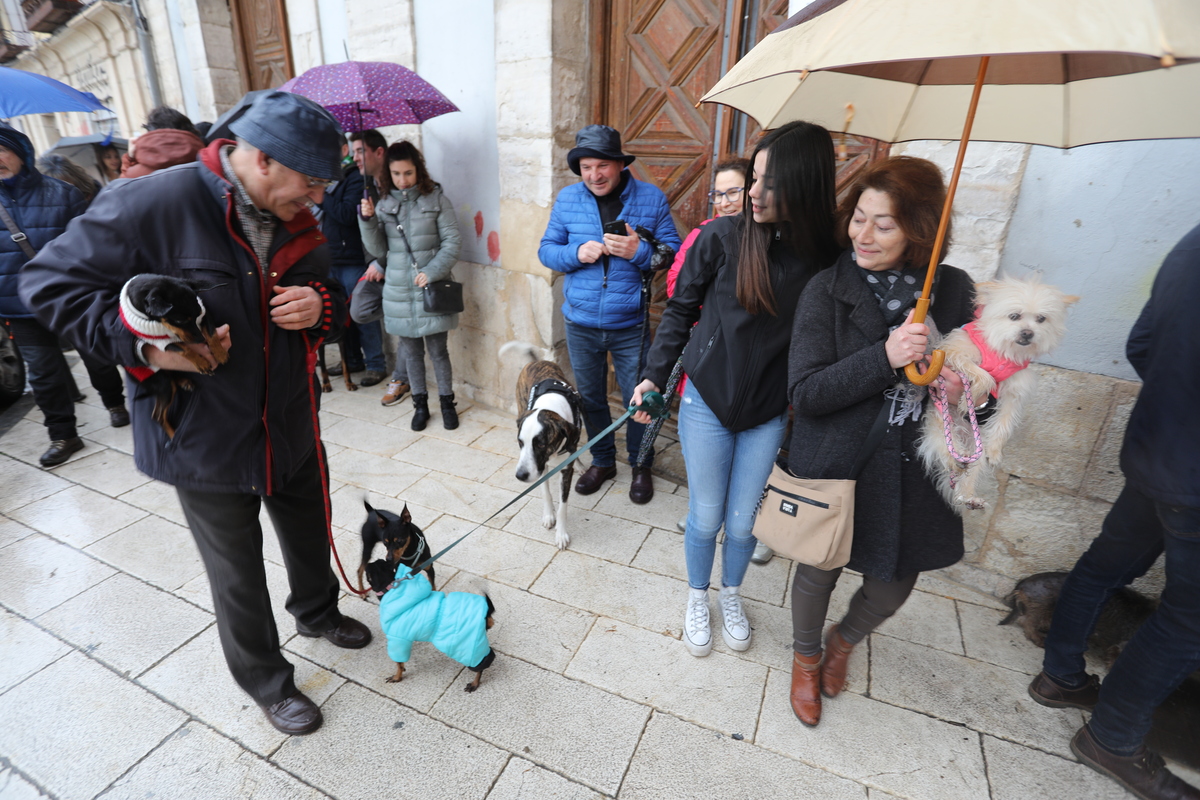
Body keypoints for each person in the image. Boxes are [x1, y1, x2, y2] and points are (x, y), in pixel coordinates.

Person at [20, 91, 372, 736]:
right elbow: (48, 284)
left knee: (305, 525)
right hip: (199, 433)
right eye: (311, 182)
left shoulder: (294, 215)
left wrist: (319, 305)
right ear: (261, 160)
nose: (318, 197)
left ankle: (317, 611)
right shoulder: (152, 203)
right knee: (235, 569)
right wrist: (152, 349)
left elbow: (327, 287)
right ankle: (267, 682)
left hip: (289, 414)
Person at [632, 121, 840, 657]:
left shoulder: (824, 259)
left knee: (746, 521)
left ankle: (731, 593)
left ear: (802, 185)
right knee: (705, 514)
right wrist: (653, 376)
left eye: (767, 181)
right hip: (706, 401)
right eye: (754, 177)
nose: (752, 191)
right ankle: (697, 595)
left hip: (768, 411)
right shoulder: (721, 237)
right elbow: (679, 311)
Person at [784, 156, 978, 727]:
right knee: (819, 569)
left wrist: (961, 381)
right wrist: (884, 358)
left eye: (884, 224)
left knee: (892, 587)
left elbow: (983, 378)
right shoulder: (827, 290)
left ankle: (843, 642)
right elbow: (807, 392)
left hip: (915, 469)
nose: (862, 236)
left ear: (919, 230)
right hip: (842, 461)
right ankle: (805, 658)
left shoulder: (953, 290)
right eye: (858, 219)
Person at [1026, 223, 1200, 800]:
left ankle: (1061, 675)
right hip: (1193, 478)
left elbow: (1142, 343)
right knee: (1189, 618)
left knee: (1104, 567)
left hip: (1156, 450)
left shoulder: (1194, 240)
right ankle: (1114, 737)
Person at [539, 124, 681, 505]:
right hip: (580, 322)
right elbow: (546, 250)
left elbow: (673, 253)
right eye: (586, 167)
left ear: (619, 165)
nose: (594, 175)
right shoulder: (568, 200)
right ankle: (602, 460)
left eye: (602, 165)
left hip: (630, 324)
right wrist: (574, 254)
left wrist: (636, 251)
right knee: (590, 397)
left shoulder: (651, 199)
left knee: (641, 400)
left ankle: (640, 464)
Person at [1, 123, 109, 467]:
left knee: (96, 354)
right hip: (16, 303)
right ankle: (63, 434)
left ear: (21, 153)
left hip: (68, 297)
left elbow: (87, 247)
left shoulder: (61, 193)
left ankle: (115, 401)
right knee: (44, 373)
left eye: (1, 150)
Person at [664, 156, 750, 537]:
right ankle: (704, 513)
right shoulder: (704, 235)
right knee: (702, 447)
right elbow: (675, 287)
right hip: (707, 354)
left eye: (735, 191)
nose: (726, 201)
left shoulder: (771, 242)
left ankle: (748, 523)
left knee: (751, 452)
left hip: (751, 362)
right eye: (719, 193)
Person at [358, 140, 462, 431]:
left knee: (439, 351)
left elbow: (453, 242)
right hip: (399, 291)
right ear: (387, 174)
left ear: (419, 171)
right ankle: (420, 405)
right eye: (396, 174)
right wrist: (366, 219)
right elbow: (378, 248)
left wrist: (432, 271)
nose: (402, 180)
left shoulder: (437, 200)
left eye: (408, 173)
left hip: (430, 289)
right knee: (411, 353)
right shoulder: (384, 205)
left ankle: (447, 403)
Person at [35, 153, 131, 428]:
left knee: (127, 339)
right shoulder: (34, 207)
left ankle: (147, 392)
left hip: (108, 278)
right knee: (93, 351)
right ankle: (114, 403)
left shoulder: (99, 199)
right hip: (71, 287)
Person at [348, 128, 410, 405]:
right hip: (374, 267)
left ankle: (401, 378)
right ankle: (411, 314)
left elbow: (405, 232)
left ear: (379, 152)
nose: (355, 158)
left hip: (396, 266)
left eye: (360, 151)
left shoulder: (397, 183)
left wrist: (381, 262)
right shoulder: (366, 184)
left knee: (407, 321)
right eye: (353, 152)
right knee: (360, 310)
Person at [318, 142, 386, 386]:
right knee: (342, 315)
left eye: (360, 151)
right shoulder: (334, 179)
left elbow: (347, 215)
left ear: (343, 150)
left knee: (362, 313)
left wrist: (322, 195)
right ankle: (353, 359)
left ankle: (376, 364)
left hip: (354, 258)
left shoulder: (356, 180)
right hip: (334, 258)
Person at [121, 106, 205, 179]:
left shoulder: (133, 176)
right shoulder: (209, 164)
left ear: (150, 135)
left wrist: (129, 159)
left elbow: (121, 188)